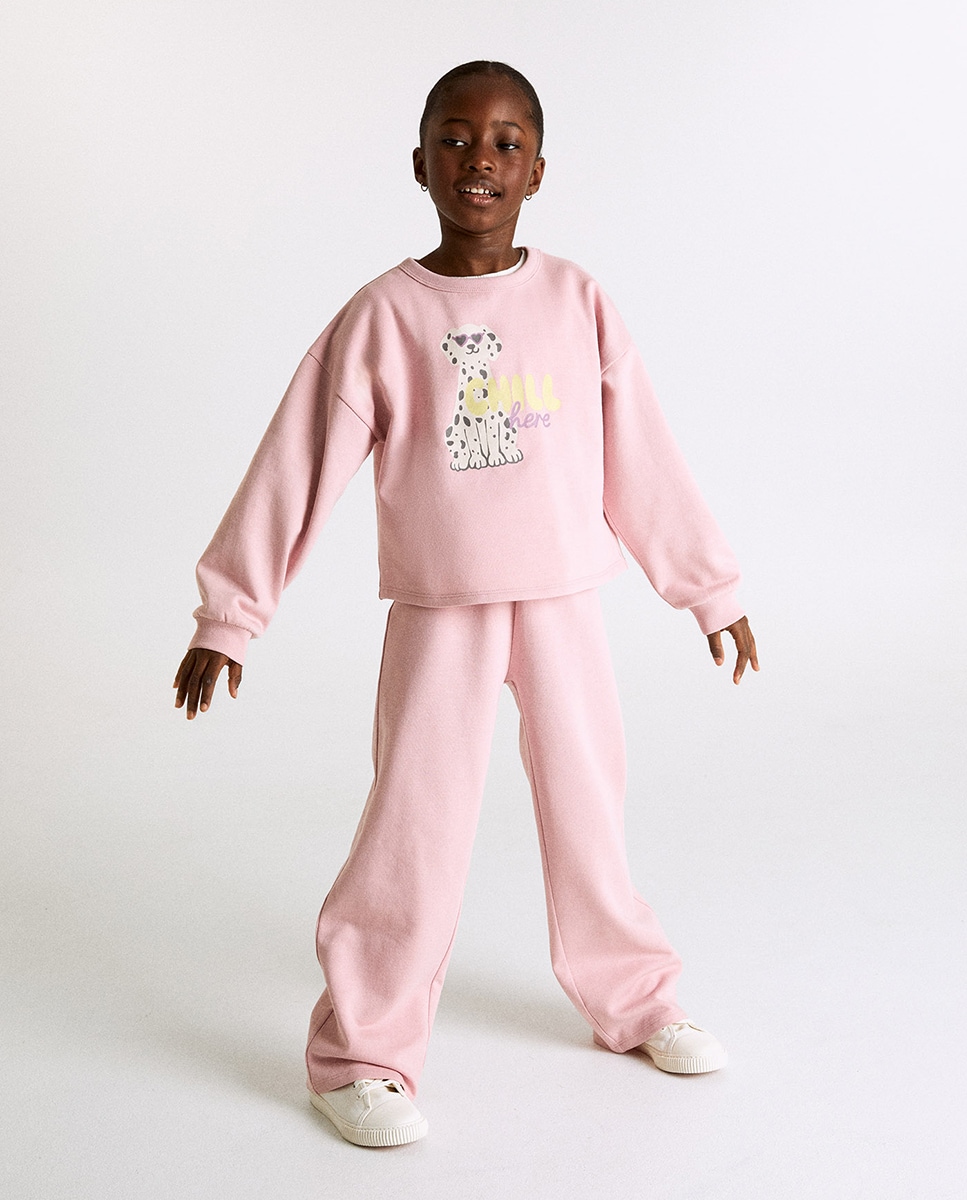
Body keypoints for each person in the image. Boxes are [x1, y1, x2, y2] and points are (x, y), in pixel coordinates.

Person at [174, 61, 759, 1148]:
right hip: (441, 608)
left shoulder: (577, 301)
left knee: (589, 805)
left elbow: (640, 457)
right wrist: (231, 615)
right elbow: (296, 463)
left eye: (502, 143)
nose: (477, 161)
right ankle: (359, 1055)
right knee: (416, 822)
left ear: (536, 171)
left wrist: (708, 590)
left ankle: (633, 1000)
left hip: (563, 599)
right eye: (454, 138)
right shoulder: (384, 316)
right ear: (418, 162)